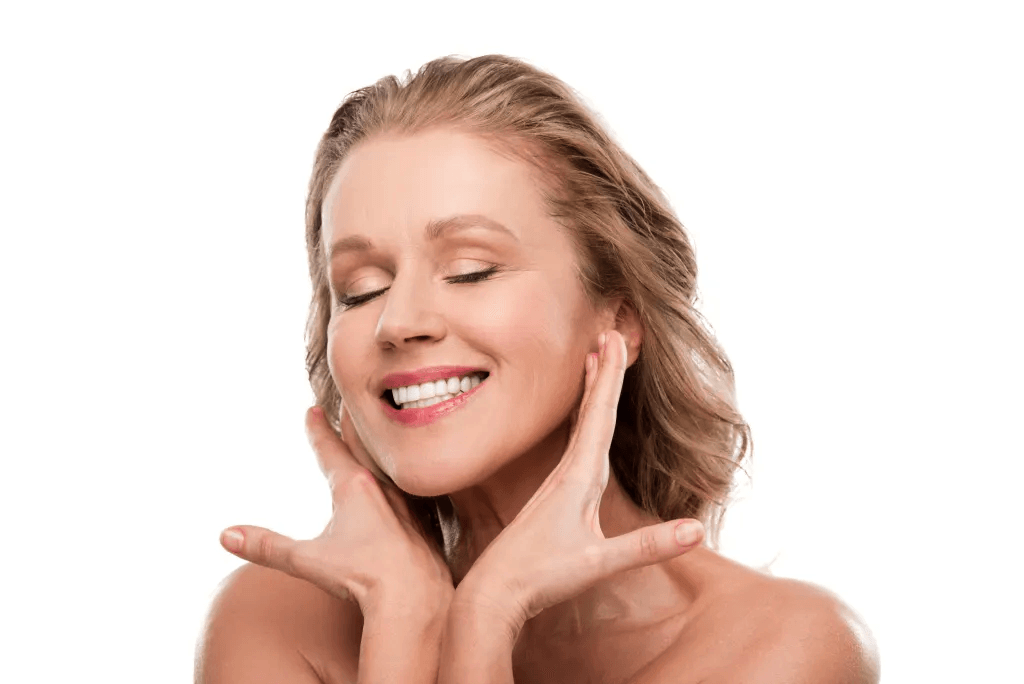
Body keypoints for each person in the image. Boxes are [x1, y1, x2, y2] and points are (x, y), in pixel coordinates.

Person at [195, 54, 879, 683]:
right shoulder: (274, 619)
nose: (396, 321)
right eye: (361, 288)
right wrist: (406, 623)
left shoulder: (778, 648)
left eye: (470, 270)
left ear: (617, 320)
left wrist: (486, 616)